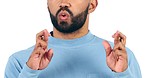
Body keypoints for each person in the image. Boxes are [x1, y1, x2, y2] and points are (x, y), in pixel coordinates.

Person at [5, 0, 142, 78]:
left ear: (92, 5)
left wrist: (122, 75)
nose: (63, 2)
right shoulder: (20, 62)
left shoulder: (122, 59)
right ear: (47, 4)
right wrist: (30, 72)